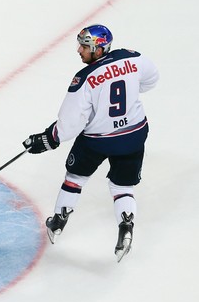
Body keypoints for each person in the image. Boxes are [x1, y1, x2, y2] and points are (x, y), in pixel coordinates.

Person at [22, 24, 159, 262]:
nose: (79, 50)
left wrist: (47, 139)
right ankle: (126, 227)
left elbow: (69, 124)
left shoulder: (84, 78)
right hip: (134, 134)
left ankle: (58, 221)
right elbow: (151, 79)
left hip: (98, 141)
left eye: (84, 46)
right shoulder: (132, 57)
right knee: (122, 187)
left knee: (75, 178)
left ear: (98, 48)